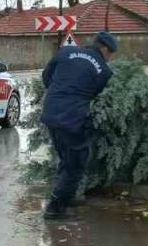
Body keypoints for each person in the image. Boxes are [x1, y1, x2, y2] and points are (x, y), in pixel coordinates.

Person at [39, 31, 117, 220]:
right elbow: (95, 93)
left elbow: (46, 77)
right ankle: (54, 208)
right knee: (76, 163)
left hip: (51, 112)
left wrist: (60, 93)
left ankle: (65, 196)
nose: (109, 58)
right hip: (72, 118)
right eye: (110, 54)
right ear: (105, 48)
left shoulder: (65, 53)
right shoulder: (104, 71)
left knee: (66, 158)